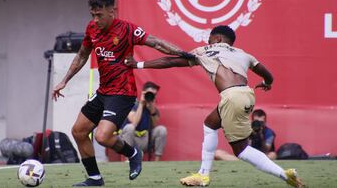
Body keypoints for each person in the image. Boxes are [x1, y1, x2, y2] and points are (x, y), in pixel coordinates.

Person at [124, 25, 304, 187]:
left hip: (231, 96)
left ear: (217, 39)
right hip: (246, 95)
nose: (207, 42)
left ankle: (284, 174)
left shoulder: (204, 51)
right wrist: (267, 82)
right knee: (210, 124)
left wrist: (138, 64)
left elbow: (170, 61)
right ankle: (203, 174)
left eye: (209, 38)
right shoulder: (243, 54)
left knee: (241, 151)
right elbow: (267, 74)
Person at [52, 0, 186, 187]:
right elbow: (82, 55)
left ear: (112, 11)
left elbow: (156, 42)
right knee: (78, 131)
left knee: (102, 136)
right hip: (103, 92)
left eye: (99, 15)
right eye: (93, 15)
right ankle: (95, 178)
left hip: (122, 93)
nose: (95, 19)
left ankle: (133, 153)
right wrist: (65, 80)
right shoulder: (92, 29)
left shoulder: (127, 29)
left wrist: (183, 53)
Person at [120, 81, 167, 161]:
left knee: (161, 129)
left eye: (154, 94)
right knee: (129, 127)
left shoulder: (153, 108)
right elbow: (134, 123)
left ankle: (157, 161)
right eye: (149, 93)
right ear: (143, 93)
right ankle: (128, 160)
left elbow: (155, 125)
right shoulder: (132, 104)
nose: (151, 96)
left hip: (146, 139)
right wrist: (141, 104)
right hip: (131, 139)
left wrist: (151, 109)